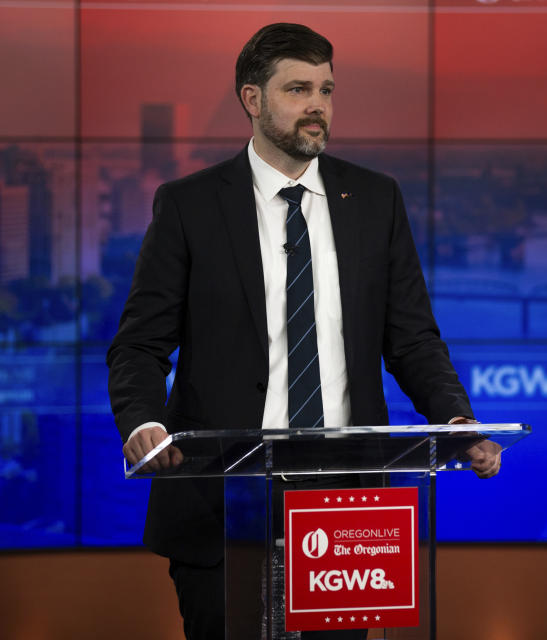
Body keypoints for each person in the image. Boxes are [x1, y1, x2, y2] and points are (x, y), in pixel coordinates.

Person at [107, 22, 501, 640]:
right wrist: (144, 423)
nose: (317, 105)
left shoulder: (375, 199)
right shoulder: (189, 205)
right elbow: (139, 343)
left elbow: (413, 338)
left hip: (346, 507)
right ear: (252, 100)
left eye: (327, 89)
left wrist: (455, 418)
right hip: (221, 498)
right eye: (297, 89)